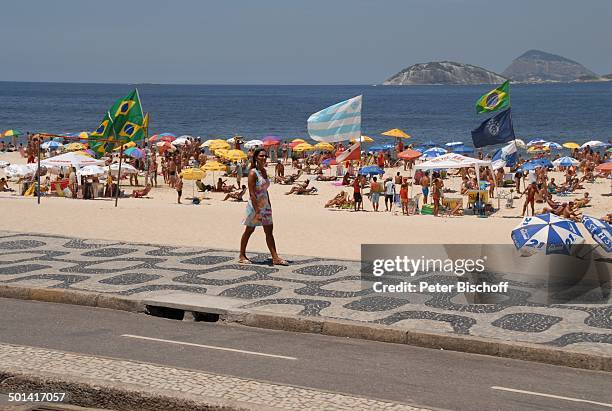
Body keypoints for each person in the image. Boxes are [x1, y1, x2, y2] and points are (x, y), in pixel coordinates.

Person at [240, 148, 287, 266]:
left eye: (265, 156)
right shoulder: (252, 173)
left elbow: (265, 190)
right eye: (261, 156)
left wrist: (269, 205)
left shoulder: (264, 172)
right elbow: (251, 193)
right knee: (249, 230)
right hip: (255, 207)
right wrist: (257, 211)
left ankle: (275, 257)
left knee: (269, 231)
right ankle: (242, 255)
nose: (264, 158)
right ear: (256, 157)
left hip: (265, 206)